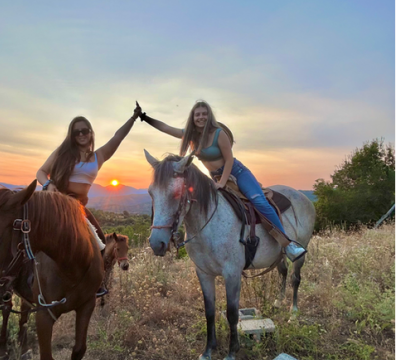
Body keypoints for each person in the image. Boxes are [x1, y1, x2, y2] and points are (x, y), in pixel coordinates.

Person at [138, 100, 306, 262]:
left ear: (209, 116)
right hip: (215, 177)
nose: (201, 117)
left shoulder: (218, 133)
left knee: (259, 201)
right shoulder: (189, 135)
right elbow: (166, 128)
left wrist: (223, 182)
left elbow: (229, 159)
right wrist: (145, 118)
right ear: (193, 117)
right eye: (198, 115)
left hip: (236, 172)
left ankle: (288, 244)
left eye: (204, 114)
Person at [37, 103, 141, 296]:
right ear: (72, 135)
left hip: (78, 207)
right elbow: (41, 172)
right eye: (77, 132)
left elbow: (117, 137)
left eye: (85, 131)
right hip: (58, 203)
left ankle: (93, 284)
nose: (81, 135)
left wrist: (134, 118)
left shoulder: (98, 156)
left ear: (91, 133)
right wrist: (47, 185)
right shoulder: (63, 153)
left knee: (100, 242)